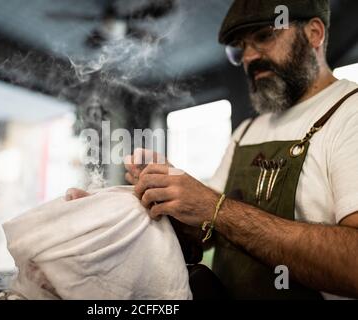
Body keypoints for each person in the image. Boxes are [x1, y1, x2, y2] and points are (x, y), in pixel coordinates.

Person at [120, 0, 358, 300]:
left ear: (313, 33)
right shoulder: (246, 131)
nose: (249, 57)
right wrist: (161, 200)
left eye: (264, 36)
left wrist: (215, 207)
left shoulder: (351, 113)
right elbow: (208, 232)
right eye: (240, 47)